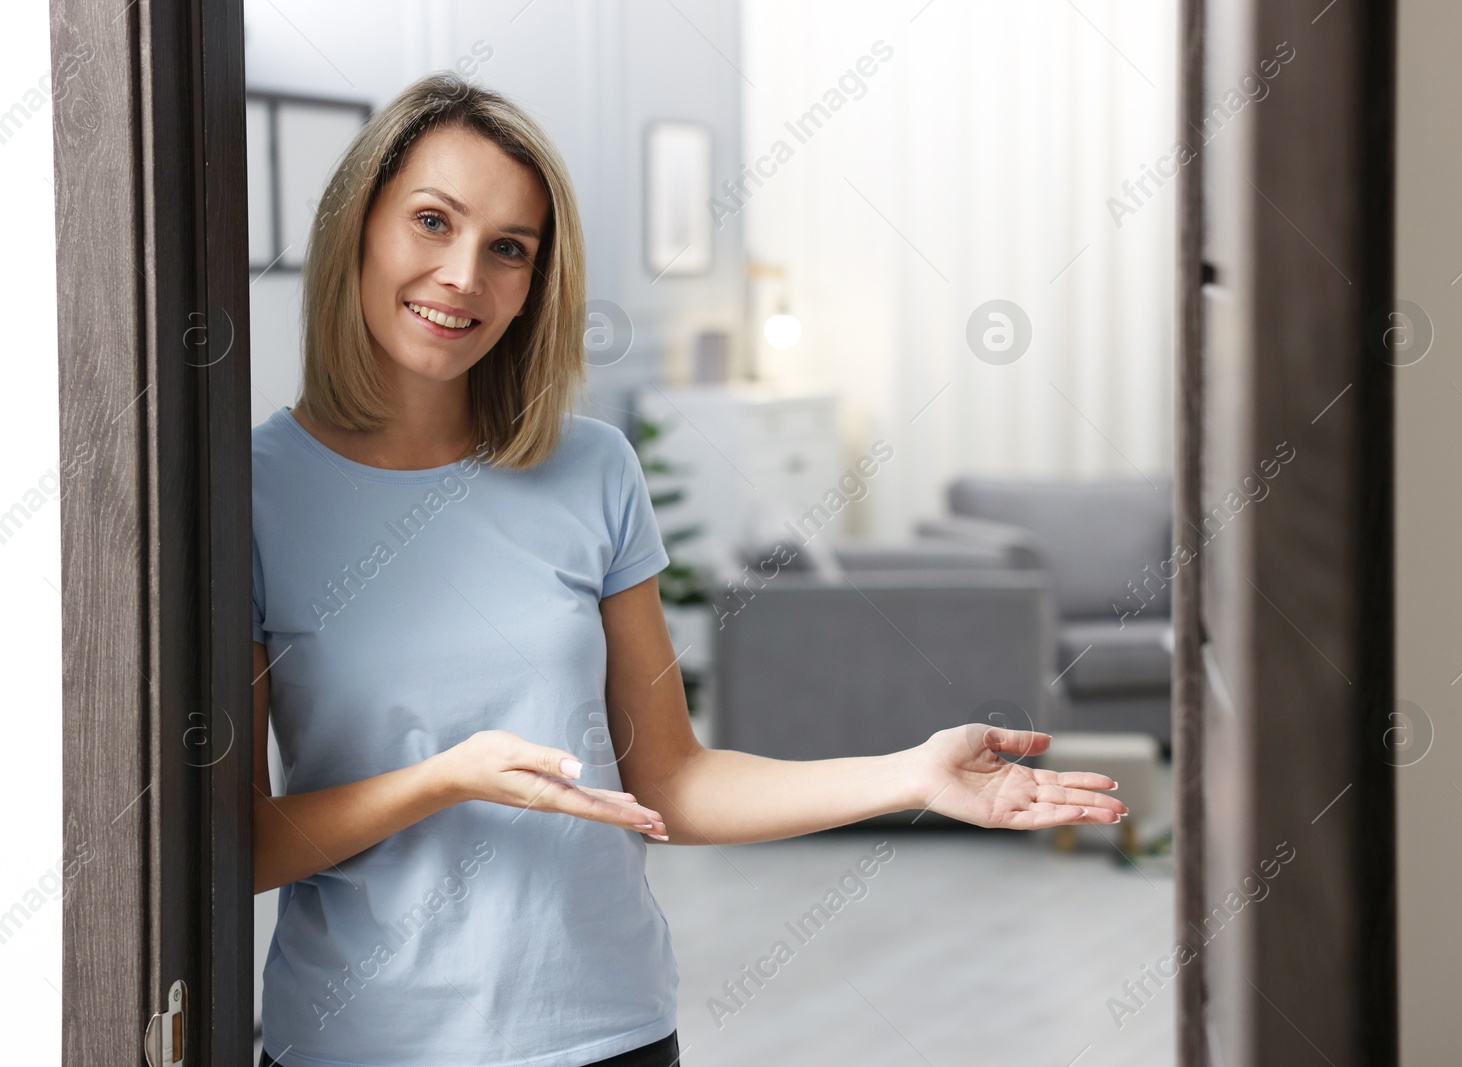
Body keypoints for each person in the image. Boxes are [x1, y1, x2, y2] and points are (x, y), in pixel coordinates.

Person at [251, 71, 1126, 1067]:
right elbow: (241, 845)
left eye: (508, 248)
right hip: (361, 1043)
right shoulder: (251, 493)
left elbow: (676, 777)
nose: (463, 274)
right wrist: (446, 779)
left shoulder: (590, 470)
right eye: (431, 221)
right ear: (358, 225)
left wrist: (907, 774)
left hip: (606, 1032)